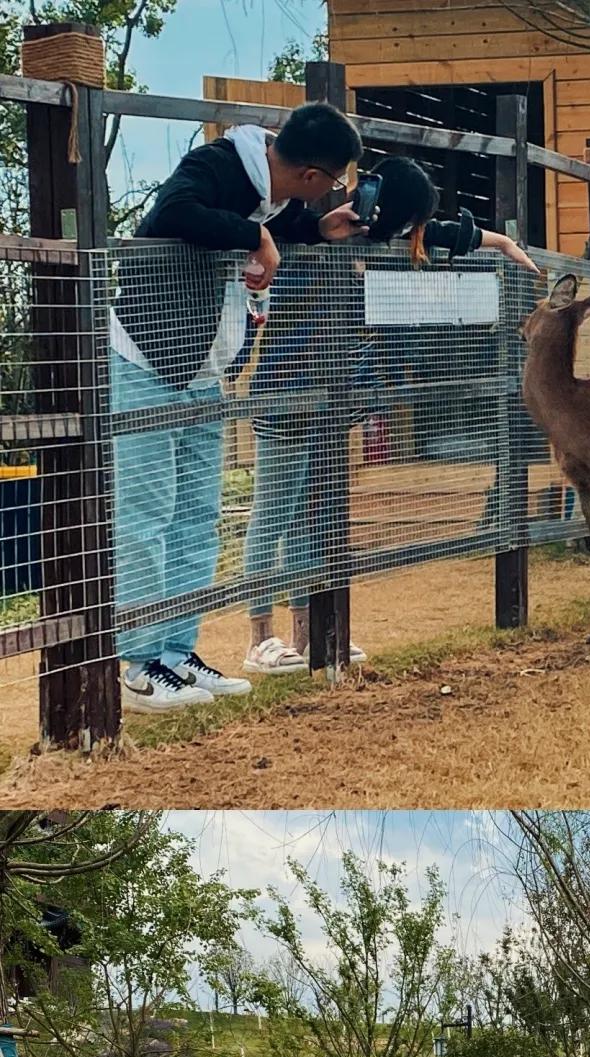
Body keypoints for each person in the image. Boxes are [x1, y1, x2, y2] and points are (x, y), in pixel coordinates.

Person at [239, 155, 539, 676]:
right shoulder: (317, 231)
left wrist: (505, 245)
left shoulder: (390, 241)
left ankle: (312, 632)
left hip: (337, 406)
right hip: (287, 396)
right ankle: (260, 637)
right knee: (274, 516)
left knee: (317, 520)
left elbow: (448, 234)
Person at [111, 102, 365, 712]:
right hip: (146, 362)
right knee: (147, 514)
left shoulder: (275, 202)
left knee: (199, 514)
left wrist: (309, 231)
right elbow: (171, 213)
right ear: (311, 174)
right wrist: (256, 237)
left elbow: (267, 228)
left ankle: (177, 652)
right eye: (331, 183)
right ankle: (138, 664)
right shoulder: (218, 164)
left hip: (204, 373)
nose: (329, 194)